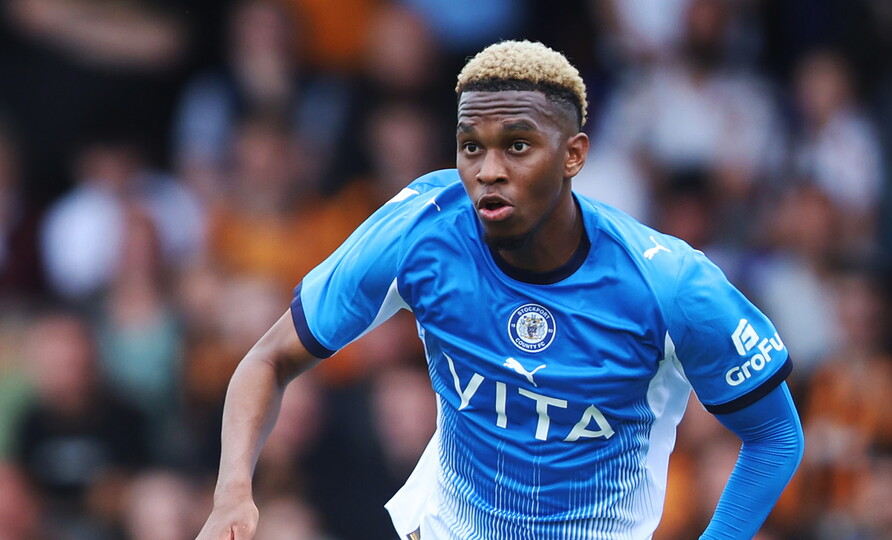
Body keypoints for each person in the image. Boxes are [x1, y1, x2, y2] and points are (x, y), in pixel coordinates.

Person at [196, 40, 803, 540]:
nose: (488, 170)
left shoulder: (670, 283)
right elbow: (268, 359)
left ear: (573, 155)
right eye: (471, 146)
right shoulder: (421, 230)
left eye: (517, 145)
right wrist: (232, 495)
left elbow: (776, 437)